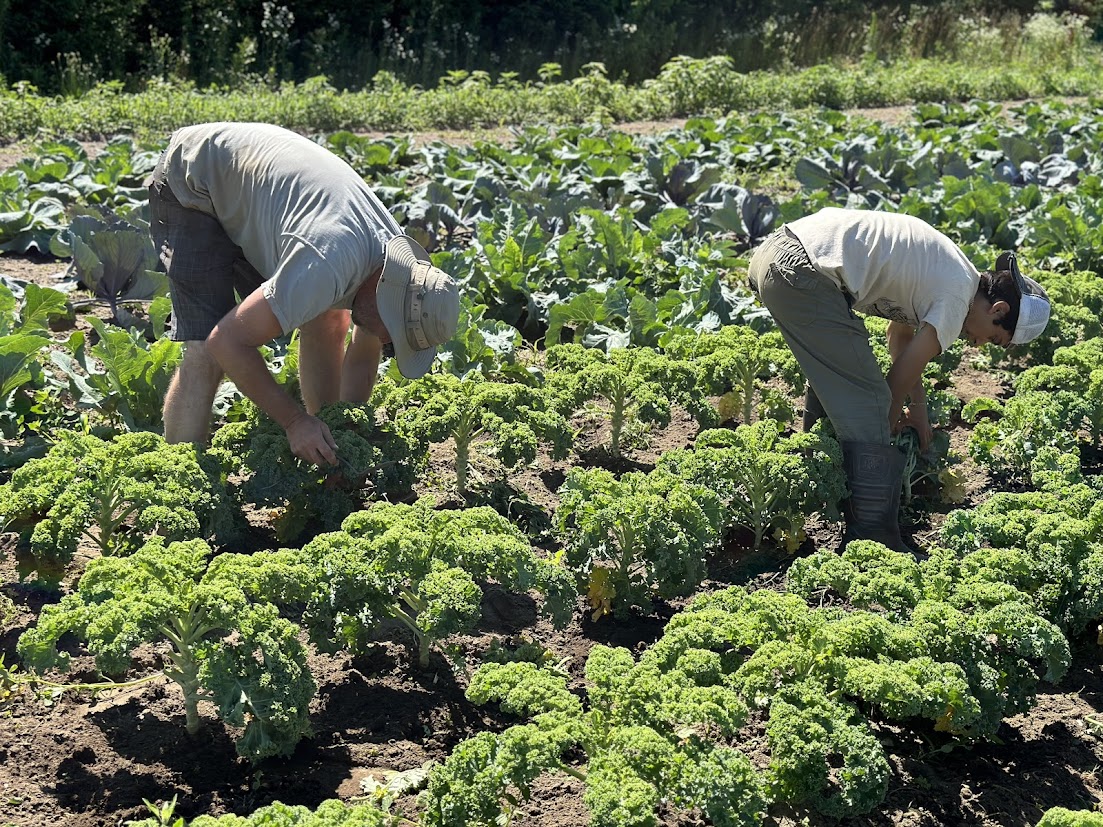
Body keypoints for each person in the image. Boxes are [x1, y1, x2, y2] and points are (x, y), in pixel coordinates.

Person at [147, 122, 460, 466]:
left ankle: (322, 443)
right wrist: (295, 422)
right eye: (393, 332)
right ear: (384, 296)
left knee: (327, 321)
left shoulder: (400, 275)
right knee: (207, 351)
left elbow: (363, 353)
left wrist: (342, 441)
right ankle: (180, 474)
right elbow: (226, 341)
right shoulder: (326, 263)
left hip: (259, 190)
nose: (387, 339)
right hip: (197, 178)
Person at [748, 207, 1051, 554]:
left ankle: (815, 481)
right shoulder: (957, 298)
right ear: (998, 310)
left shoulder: (955, 272)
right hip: (801, 271)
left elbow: (900, 337)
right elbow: (898, 379)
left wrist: (917, 408)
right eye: (994, 338)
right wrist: (883, 429)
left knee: (836, 383)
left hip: (780, 254)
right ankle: (874, 539)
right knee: (870, 402)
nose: (979, 344)